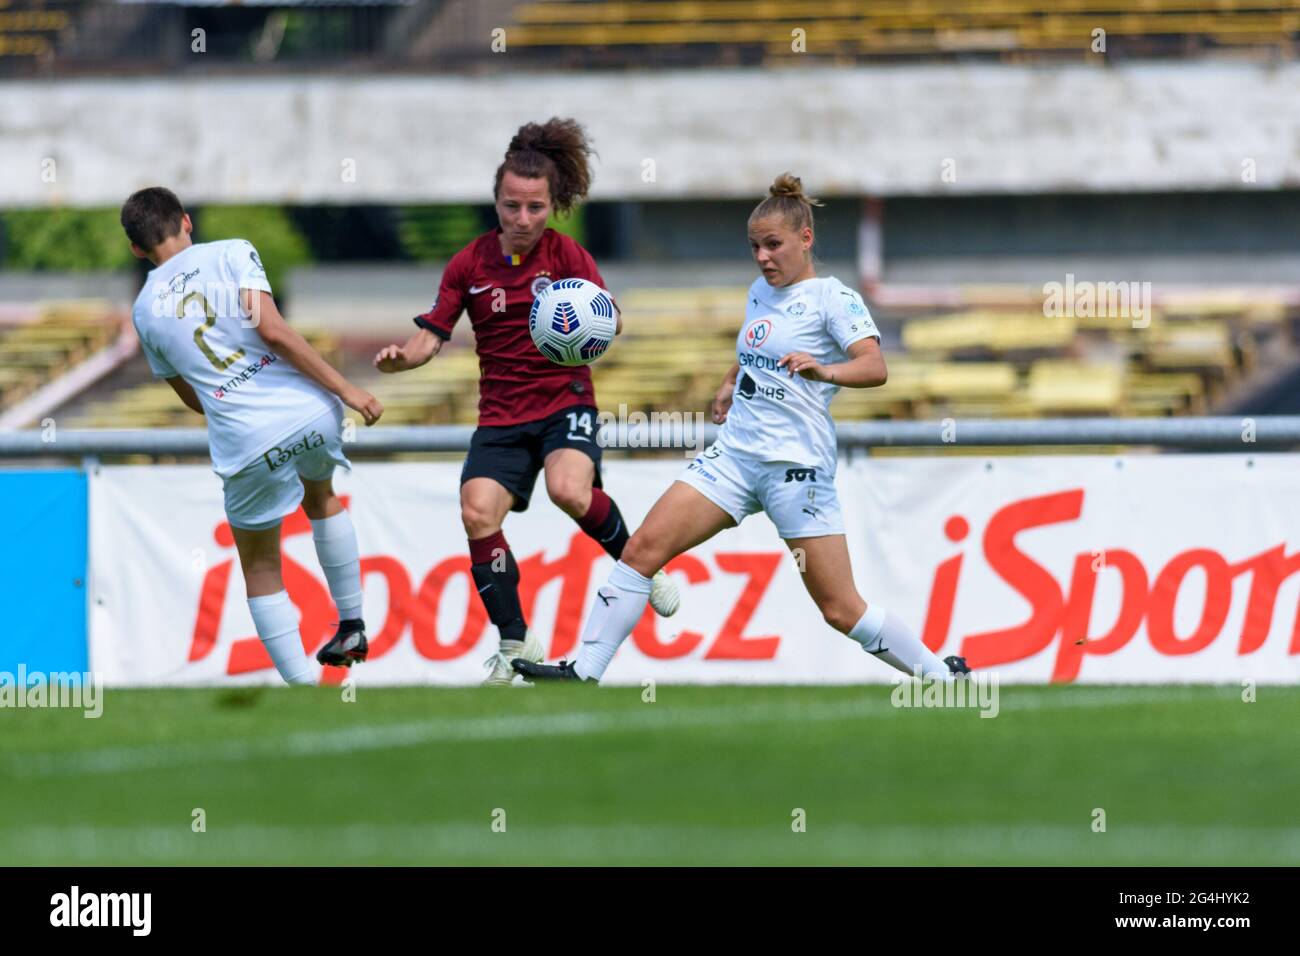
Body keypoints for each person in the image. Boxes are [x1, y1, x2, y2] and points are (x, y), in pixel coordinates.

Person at [513, 173, 969, 683]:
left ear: (806, 238)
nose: (763, 257)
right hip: (734, 458)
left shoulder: (831, 299)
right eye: (755, 247)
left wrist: (827, 370)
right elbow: (756, 348)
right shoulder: (760, 292)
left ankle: (941, 675)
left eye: (773, 245)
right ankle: (584, 669)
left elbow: (875, 366)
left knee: (841, 609)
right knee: (642, 549)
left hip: (794, 468)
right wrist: (732, 381)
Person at [373, 118, 679, 686]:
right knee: (475, 511)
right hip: (501, 417)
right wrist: (402, 360)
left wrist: (595, 328)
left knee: (569, 490)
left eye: (535, 207)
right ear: (495, 201)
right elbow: (429, 338)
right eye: (511, 206)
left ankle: (642, 562)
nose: (522, 220)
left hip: (566, 402)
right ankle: (515, 640)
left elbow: (605, 322)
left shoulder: (567, 258)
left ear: (551, 205)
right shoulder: (467, 266)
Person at [121, 186, 384, 685]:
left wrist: (232, 398)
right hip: (308, 413)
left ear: (136, 248)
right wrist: (350, 391)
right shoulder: (232, 251)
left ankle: (305, 690)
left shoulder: (143, 311)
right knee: (323, 498)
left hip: (244, 439)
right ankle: (351, 623)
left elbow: (192, 396)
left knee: (261, 566)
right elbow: (274, 332)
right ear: (187, 220)